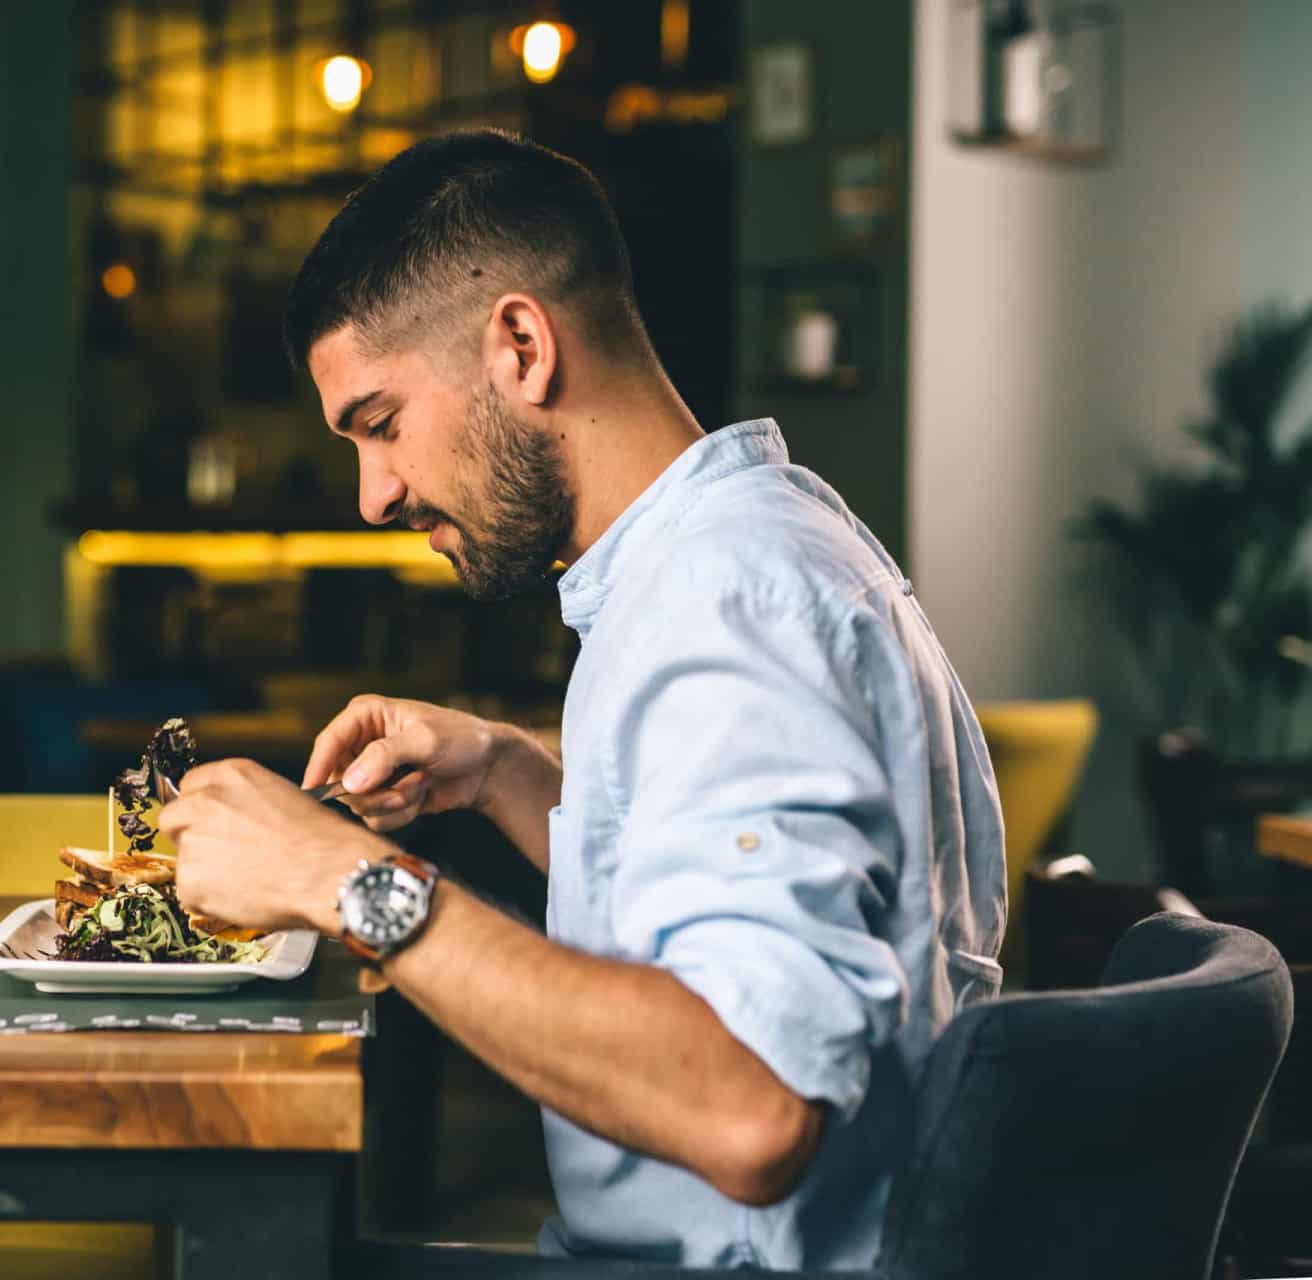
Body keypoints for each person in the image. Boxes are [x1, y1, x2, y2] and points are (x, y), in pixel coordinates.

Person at [157, 129, 1005, 1270]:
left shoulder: (726, 599)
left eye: (381, 423)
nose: (373, 494)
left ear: (519, 343)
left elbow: (754, 1106)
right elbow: (723, 912)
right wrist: (515, 771)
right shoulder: (744, 544)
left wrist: (343, 880)